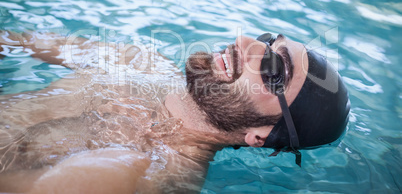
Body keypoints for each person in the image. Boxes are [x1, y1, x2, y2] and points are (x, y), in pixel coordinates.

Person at [0, 30, 349, 193]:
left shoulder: (135, 172)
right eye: (267, 39)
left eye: (274, 69)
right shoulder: (141, 62)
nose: (244, 42)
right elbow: (15, 41)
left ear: (259, 136)